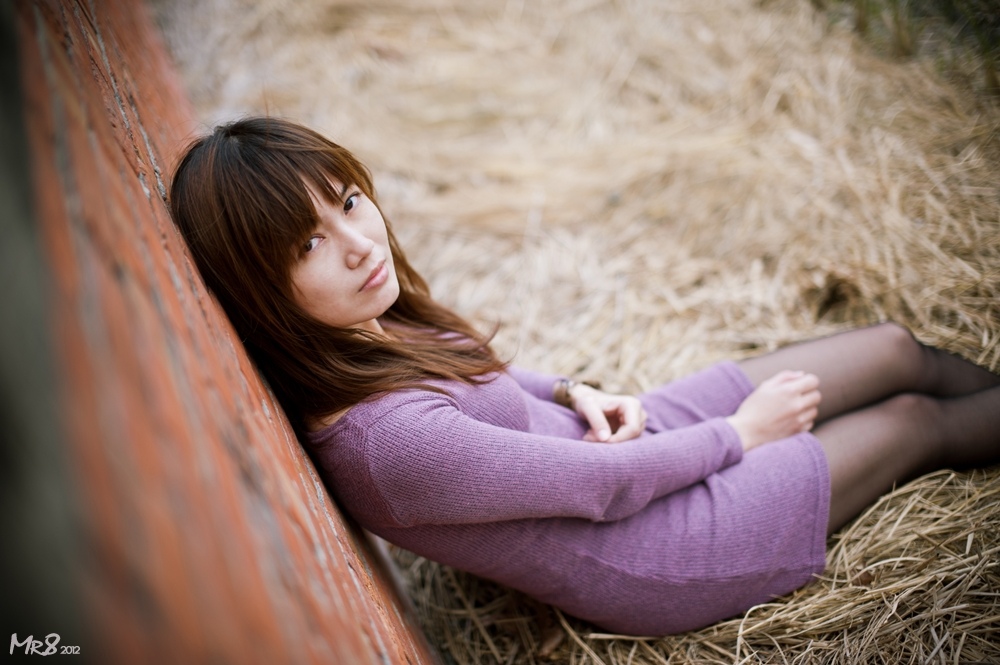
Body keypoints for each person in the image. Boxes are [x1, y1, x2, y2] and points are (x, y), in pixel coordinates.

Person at [169, 116, 1000, 636]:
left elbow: (486, 376)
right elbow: (603, 490)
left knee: (891, 346)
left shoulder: (368, 323)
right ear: (259, 288)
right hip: (662, 546)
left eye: (348, 200)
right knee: (913, 421)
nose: (357, 243)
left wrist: (577, 391)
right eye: (308, 244)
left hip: (631, 440)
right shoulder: (386, 443)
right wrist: (741, 434)